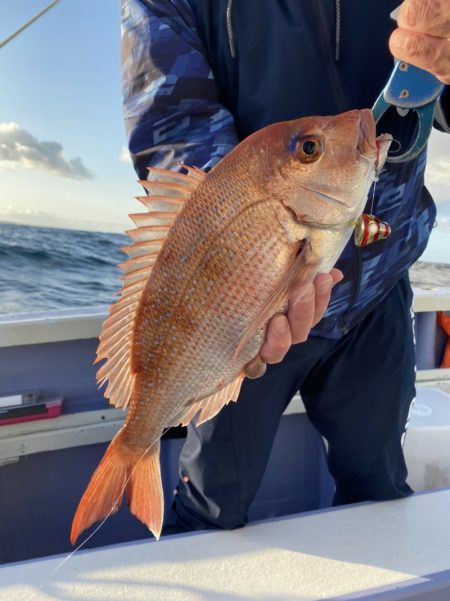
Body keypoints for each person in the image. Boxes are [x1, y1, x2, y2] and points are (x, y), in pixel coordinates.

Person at [120, 0, 450, 532]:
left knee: (381, 495)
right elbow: (173, 128)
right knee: (211, 508)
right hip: (237, 317)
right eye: (314, 148)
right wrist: (253, 262)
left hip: (379, 291)